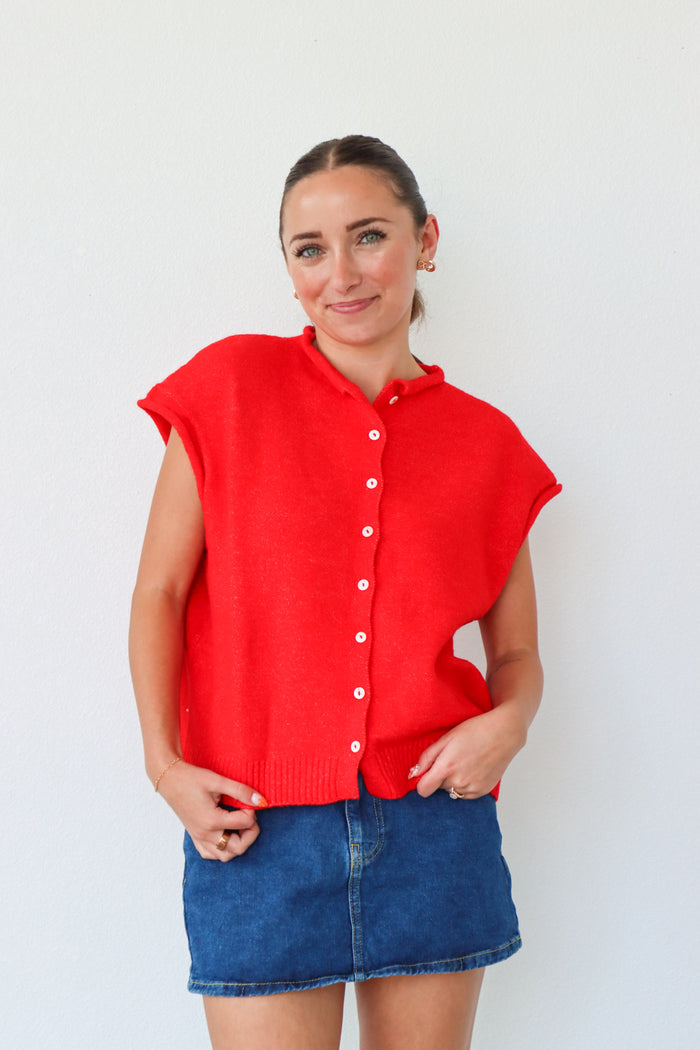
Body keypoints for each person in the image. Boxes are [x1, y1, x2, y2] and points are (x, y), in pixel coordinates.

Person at [129, 134, 561, 1050]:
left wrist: (510, 720)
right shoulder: (228, 391)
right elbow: (161, 592)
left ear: (425, 239)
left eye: (369, 236)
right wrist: (165, 767)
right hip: (254, 830)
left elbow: (514, 650)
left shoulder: (489, 445)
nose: (342, 274)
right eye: (310, 249)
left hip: (433, 825)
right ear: (289, 268)